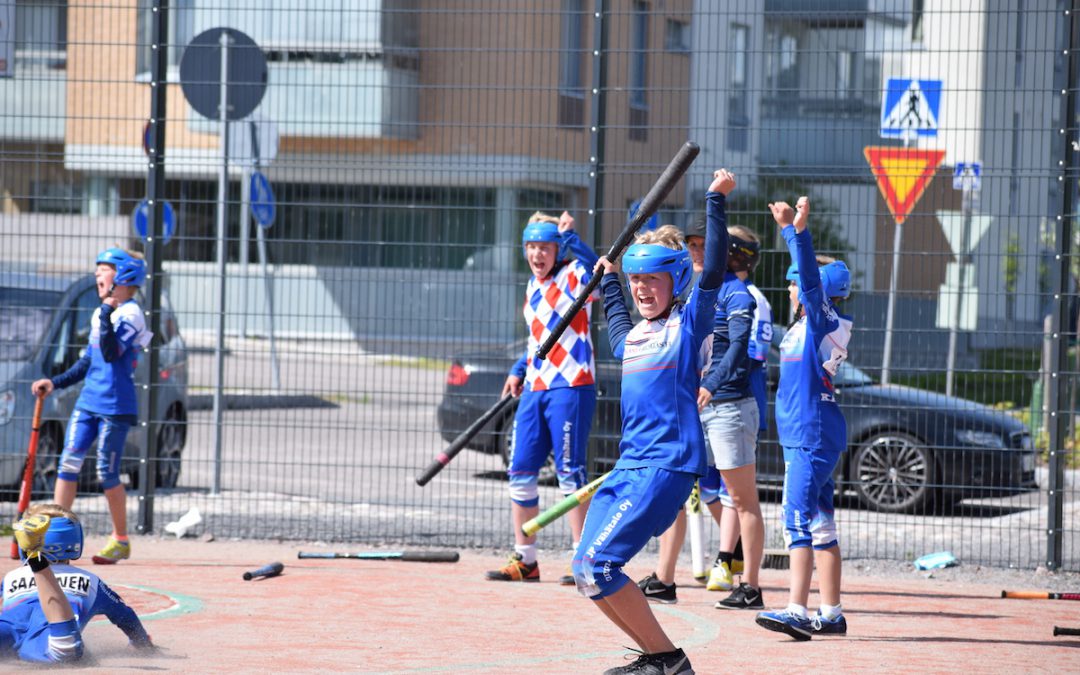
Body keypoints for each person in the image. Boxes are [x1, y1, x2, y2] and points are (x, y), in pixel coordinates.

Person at [573, 169, 734, 675]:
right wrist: (610, 277)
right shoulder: (632, 340)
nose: (643, 289)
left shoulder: (688, 326)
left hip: (667, 466)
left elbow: (712, 273)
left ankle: (668, 660)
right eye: (637, 279)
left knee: (601, 566)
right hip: (628, 466)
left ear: (676, 280)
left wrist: (715, 201)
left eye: (653, 279)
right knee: (585, 571)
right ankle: (659, 659)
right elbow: (616, 313)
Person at [755, 197, 853, 640]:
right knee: (821, 522)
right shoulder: (805, 326)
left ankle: (797, 609)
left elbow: (811, 284)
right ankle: (831, 613)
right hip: (811, 430)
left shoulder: (820, 319)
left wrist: (795, 231)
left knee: (794, 518)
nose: (791, 288)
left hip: (810, 433)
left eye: (795, 282)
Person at [486, 211, 599, 585]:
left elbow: (599, 271)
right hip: (536, 387)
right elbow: (540, 339)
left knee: (571, 473)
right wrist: (519, 369)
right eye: (531, 247)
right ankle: (525, 559)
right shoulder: (532, 287)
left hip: (572, 385)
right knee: (519, 471)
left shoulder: (574, 275)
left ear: (557, 250)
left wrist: (573, 239)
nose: (537, 254)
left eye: (545, 247)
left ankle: (581, 558)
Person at [31, 248, 152, 565]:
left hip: (115, 406)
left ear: (123, 276)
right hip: (88, 402)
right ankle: (59, 535)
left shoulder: (130, 314)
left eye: (104, 270)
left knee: (106, 472)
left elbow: (112, 353)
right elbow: (89, 361)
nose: (98, 276)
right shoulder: (105, 312)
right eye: (97, 270)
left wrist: (104, 313)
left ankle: (120, 539)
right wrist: (54, 382)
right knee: (68, 463)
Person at [703, 226, 770, 607]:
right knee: (706, 489)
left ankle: (743, 574)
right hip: (709, 401)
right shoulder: (711, 289)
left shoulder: (747, 297)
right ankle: (724, 559)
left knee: (740, 496)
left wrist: (713, 379)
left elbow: (748, 353)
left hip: (734, 398)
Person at [1, 504, 154, 662]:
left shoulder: (11, 577)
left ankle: (35, 557)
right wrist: (142, 644)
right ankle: (36, 560)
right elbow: (126, 617)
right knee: (69, 652)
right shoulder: (90, 581)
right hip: (59, 643)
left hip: (6, 634)